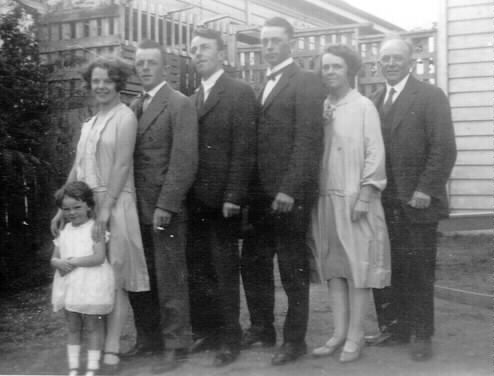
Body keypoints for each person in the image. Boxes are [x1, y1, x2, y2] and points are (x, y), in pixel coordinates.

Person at [50, 56, 150, 373]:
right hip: (88, 206)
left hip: (115, 203)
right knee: (93, 278)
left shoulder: (125, 118)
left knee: (114, 277)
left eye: (107, 80)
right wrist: (60, 209)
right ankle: (96, 347)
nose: (101, 86)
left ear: (118, 83)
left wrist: (106, 212)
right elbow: (78, 168)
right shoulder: (89, 123)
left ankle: (111, 349)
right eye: (96, 81)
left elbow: (122, 165)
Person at [240, 17, 325, 366]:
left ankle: (294, 341)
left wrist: (289, 189)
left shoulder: (305, 81)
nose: (269, 46)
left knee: (292, 270)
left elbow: (308, 139)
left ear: (291, 41)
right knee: (254, 263)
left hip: (289, 196)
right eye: (265, 41)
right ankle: (262, 329)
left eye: (276, 40)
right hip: (260, 197)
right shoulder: (262, 83)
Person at [367, 36, 457, 361]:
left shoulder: (431, 96)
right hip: (384, 202)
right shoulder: (375, 100)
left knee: (418, 269)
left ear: (411, 62)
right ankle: (395, 329)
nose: (390, 64)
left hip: (417, 201)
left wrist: (425, 189)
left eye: (396, 58)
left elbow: (444, 148)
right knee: (389, 268)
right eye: (385, 59)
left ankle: (421, 333)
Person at [309, 45, 390, 363]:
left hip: (356, 198)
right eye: (325, 67)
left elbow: (375, 151)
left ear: (350, 70)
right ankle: (338, 333)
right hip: (326, 198)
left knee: (358, 269)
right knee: (335, 269)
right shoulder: (321, 107)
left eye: (336, 67)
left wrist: (367, 194)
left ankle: (356, 336)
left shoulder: (364, 106)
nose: (329, 72)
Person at [125, 39, 198, 374]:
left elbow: (184, 160)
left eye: (151, 62)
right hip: (135, 205)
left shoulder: (178, 103)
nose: (145, 68)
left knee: (170, 277)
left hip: (163, 206)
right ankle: (149, 339)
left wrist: (167, 204)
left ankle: (176, 343)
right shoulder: (134, 106)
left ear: (164, 66)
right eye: (140, 63)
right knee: (142, 275)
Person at [186, 28, 257, 367]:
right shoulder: (192, 96)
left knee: (224, 269)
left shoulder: (238, 92)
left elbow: (244, 149)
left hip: (223, 200)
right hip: (196, 199)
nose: (198, 54)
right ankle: (210, 332)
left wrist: (234, 194)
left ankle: (231, 337)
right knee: (200, 269)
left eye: (204, 48)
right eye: (194, 49)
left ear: (221, 53)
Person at [51, 181, 115, 376]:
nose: (72, 213)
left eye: (77, 207)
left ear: (89, 205)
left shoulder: (95, 228)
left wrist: (73, 261)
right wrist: (57, 263)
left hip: (91, 283)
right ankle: (73, 367)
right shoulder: (64, 231)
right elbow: (54, 257)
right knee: (73, 326)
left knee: (92, 326)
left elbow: (98, 257)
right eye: (66, 209)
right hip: (70, 284)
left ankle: (92, 367)